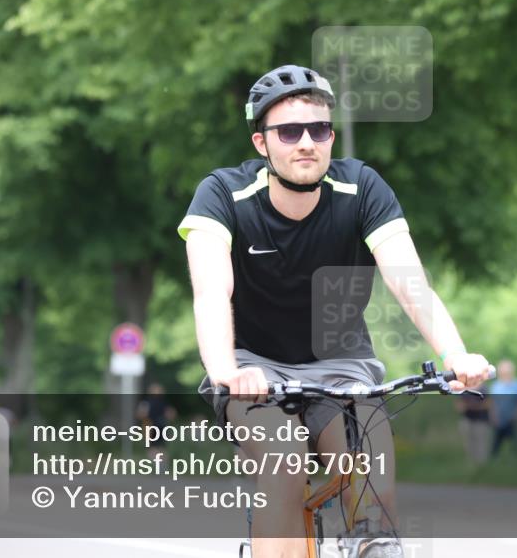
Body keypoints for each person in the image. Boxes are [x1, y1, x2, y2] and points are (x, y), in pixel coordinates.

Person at [179, 64, 492, 557]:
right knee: (283, 465)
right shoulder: (222, 195)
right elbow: (212, 290)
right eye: (288, 131)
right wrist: (226, 370)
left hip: (343, 367)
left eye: (318, 129)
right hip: (254, 367)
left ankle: (373, 545)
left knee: (371, 481)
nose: (306, 142)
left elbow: (408, 283)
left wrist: (456, 353)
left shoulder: (362, 187)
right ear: (262, 144)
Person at [489, 360, 517, 456]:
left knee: (515, 442)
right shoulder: (496, 386)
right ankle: (493, 461)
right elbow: (493, 403)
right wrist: (493, 416)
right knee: (496, 442)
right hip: (499, 418)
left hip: (512, 418)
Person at [136, 382, 178, 462]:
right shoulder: (164, 403)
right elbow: (171, 414)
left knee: (153, 448)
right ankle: (160, 466)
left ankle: (156, 465)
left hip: (152, 427)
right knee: (161, 447)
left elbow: (140, 414)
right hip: (160, 426)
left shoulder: (147, 402)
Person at [455, 381, 492, 464]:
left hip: (481, 421)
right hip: (467, 420)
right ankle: (472, 464)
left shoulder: (484, 388)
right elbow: (459, 405)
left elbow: (488, 403)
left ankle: (482, 466)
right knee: (468, 445)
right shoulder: (464, 389)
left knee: (481, 444)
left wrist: (473, 406)